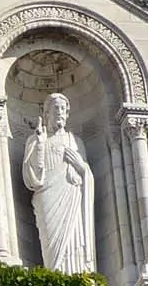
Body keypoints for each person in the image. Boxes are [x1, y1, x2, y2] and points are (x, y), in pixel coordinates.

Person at [21, 92, 96, 272]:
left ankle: (79, 281)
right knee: (51, 244)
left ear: (68, 113)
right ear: (46, 113)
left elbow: (87, 175)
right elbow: (33, 178)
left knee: (75, 239)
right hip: (48, 198)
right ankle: (55, 277)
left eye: (63, 108)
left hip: (72, 197)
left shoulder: (75, 141)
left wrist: (81, 166)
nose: (60, 112)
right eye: (56, 108)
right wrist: (39, 144)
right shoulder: (36, 139)